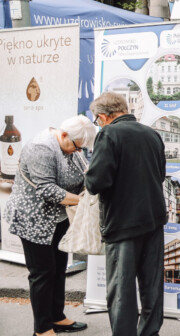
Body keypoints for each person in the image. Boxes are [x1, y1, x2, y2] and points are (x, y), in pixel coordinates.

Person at [4, 116, 96, 336]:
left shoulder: (71, 145)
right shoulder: (41, 149)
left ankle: (57, 316)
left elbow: (82, 174)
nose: (77, 152)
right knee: (42, 273)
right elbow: (47, 190)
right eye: (75, 147)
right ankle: (42, 329)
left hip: (56, 218)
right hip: (33, 219)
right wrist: (85, 201)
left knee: (58, 269)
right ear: (64, 135)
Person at [85, 92, 167, 336]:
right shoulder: (152, 134)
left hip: (123, 224)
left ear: (102, 116)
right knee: (152, 287)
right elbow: (160, 175)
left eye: (96, 120)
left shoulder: (108, 134)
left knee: (122, 292)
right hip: (153, 220)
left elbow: (96, 182)